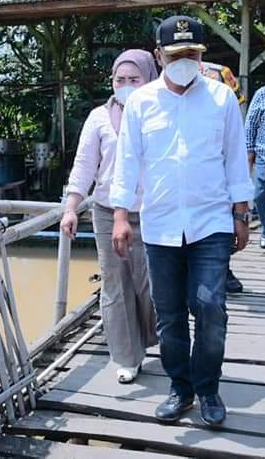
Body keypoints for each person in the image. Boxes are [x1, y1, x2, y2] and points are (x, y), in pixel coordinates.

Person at [110, 15, 253, 427]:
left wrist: (242, 215)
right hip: (159, 224)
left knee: (210, 305)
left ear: (202, 55)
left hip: (212, 222)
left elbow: (234, 159)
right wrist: (121, 215)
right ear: (159, 56)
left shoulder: (221, 99)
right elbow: (128, 162)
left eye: (191, 54)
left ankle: (208, 389)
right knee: (169, 313)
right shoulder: (140, 102)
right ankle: (181, 388)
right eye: (175, 55)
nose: (184, 61)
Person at [61, 50, 158, 384]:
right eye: (121, 80)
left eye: (135, 79)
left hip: (152, 212)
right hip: (105, 211)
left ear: (151, 78)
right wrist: (71, 208)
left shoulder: (163, 113)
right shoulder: (99, 118)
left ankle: (152, 340)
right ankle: (128, 357)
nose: (127, 86)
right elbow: (85, 165)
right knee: (115, 285)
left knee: (151, 285)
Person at [200, 61, 247, 294]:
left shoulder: (222, 73)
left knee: (224, 217)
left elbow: (237, 111)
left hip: (219, 151)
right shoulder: (170, 72)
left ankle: (224, 269)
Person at [245, 82, 265, 250]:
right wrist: (248, 151)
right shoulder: (264, 93)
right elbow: (251, 124)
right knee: (260, 196)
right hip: (263, 155)